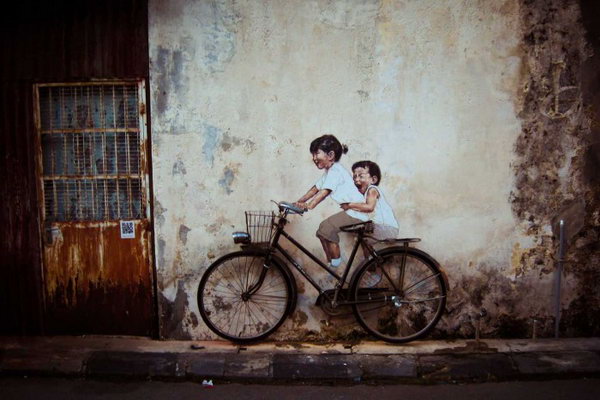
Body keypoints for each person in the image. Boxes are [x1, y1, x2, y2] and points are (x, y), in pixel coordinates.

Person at [294, 135, 369, 268]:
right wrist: (298, 202)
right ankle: (331, 262)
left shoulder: (336, 171)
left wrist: (309, 205)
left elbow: (324, 192)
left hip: (358, 212)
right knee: (321, 231)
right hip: (352, 211)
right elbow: (315, 189)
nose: (314, 158)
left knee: (327, 228)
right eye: (313, 154)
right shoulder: (329, 172)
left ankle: (337, 266)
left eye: (317, 153)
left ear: (330, 155)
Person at [341, 160, 399, 242]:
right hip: (382, 227)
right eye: (354, 176)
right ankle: (371, 255)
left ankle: (370, 255)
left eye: (361, 176)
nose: (356, 179)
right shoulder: (364, 194)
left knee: (364, 238)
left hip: (387, 227)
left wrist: (349, 205)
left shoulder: (372, 190)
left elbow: (369, 207)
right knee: (364, 241)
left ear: (373, 180)